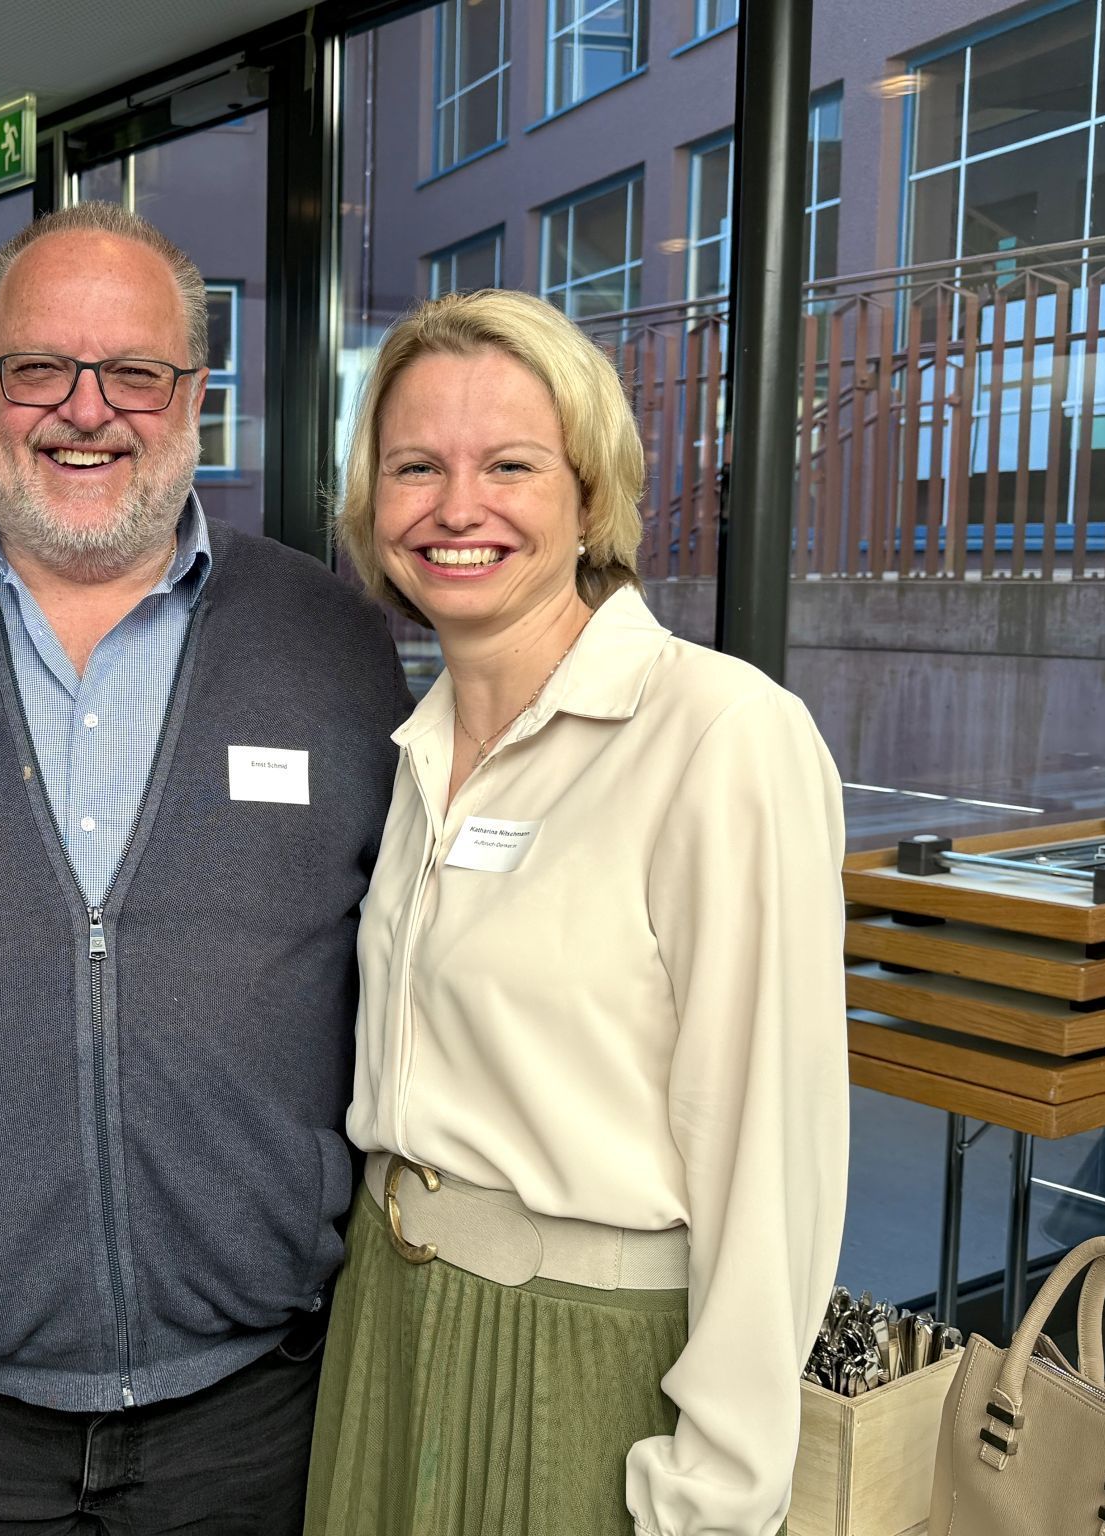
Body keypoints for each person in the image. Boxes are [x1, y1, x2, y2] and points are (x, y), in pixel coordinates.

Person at [0, 202, 413, 1534]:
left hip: (255, 1411)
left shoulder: (330, 642)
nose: (88, 411)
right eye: (42, 368)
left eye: (136, 371)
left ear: (195, 392)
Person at [303, 289, 848, 1536]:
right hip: (386, 1329)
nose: (455, 508)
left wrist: (715, 1495)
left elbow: (772, 1157)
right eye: (413, 467)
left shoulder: (716, 734)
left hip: (583, 1361)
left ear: (591, 494)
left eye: (509, 464)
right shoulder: (413, 747)